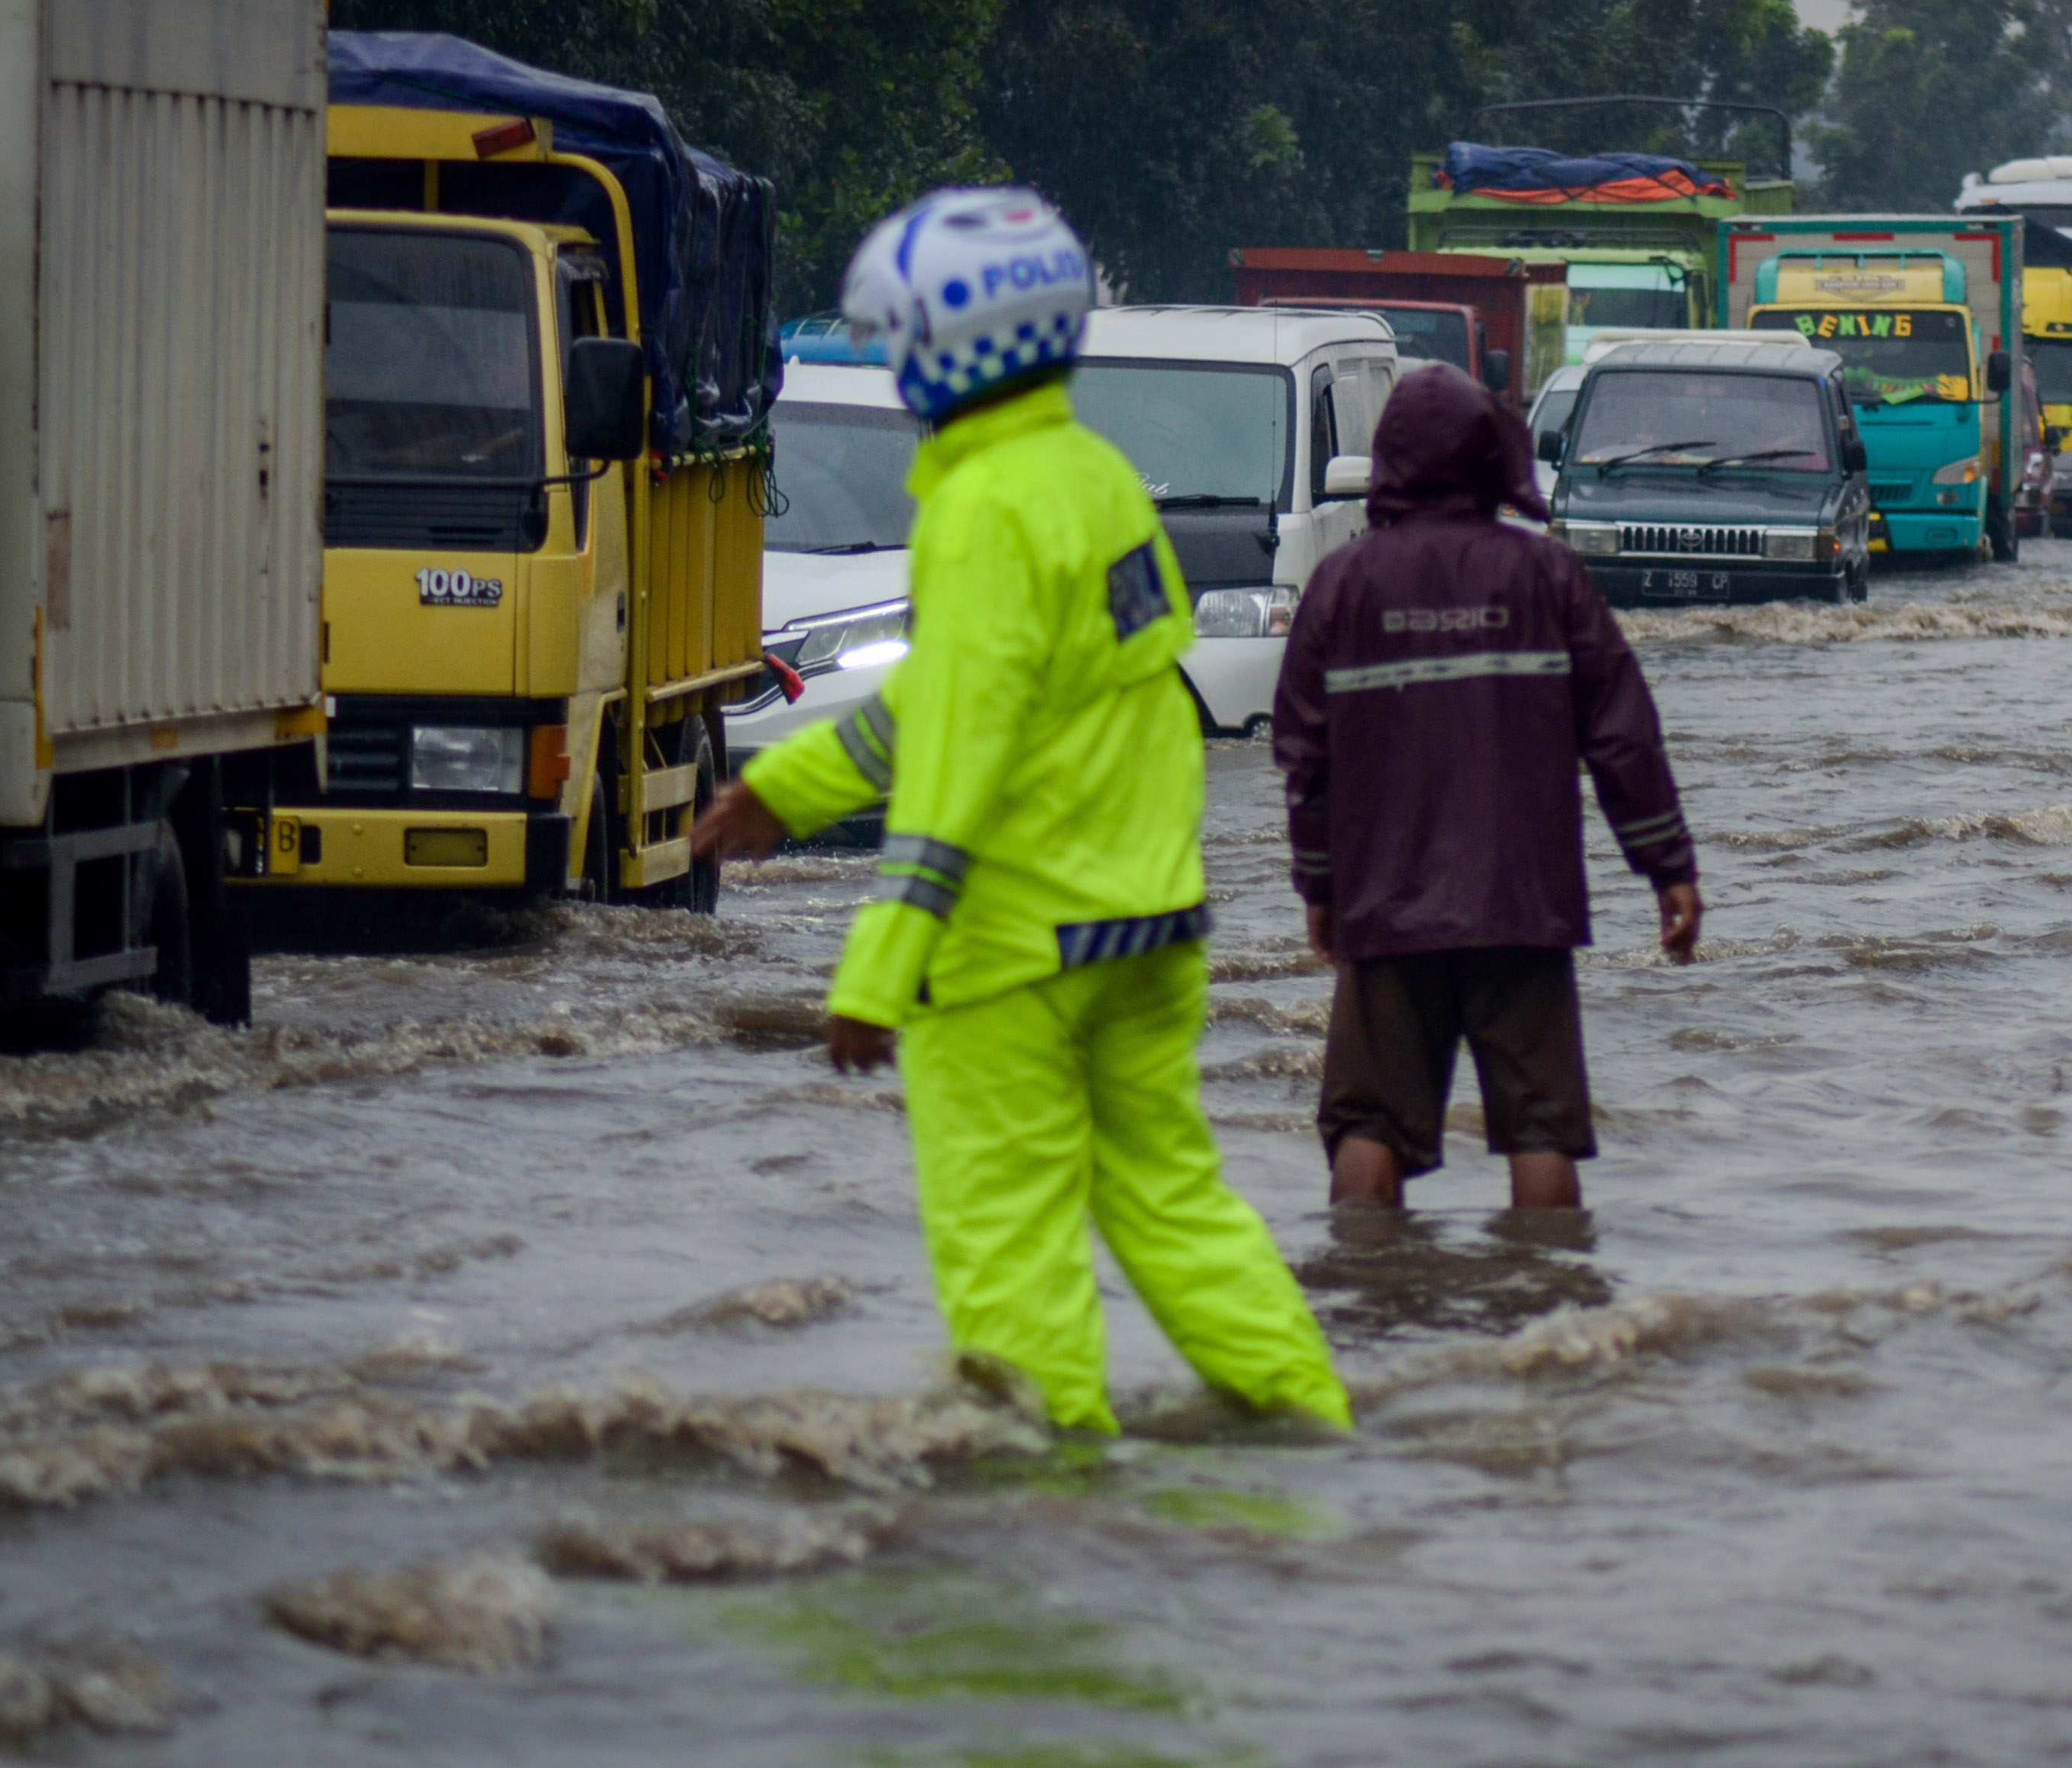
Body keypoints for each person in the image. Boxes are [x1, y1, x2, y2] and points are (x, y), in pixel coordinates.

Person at [689, 187, 1349, 1435]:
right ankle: (1305, 1428)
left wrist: (880, 962)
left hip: (1013, 952)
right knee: (1173, 1202)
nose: (891, 367)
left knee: (1009, 1247)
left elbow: (962, 744)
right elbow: (986, 693)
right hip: (1145, 923)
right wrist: (787, 788)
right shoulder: (1096, 478)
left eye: (896, 343)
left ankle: (1039, 1507)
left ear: (945, 350)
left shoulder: (981, 509)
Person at [1271, 363, 1702, 1213]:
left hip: (1386, 906)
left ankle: (1368, 1311)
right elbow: (1622, 734)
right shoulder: (1548, 578)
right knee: (1542, 1128)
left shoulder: (1341, 587)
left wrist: (1320, 887)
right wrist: (1668, 868)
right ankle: (1549, 1313)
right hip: (1523, 903)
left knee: (1368, 1126)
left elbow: (1304, 758)